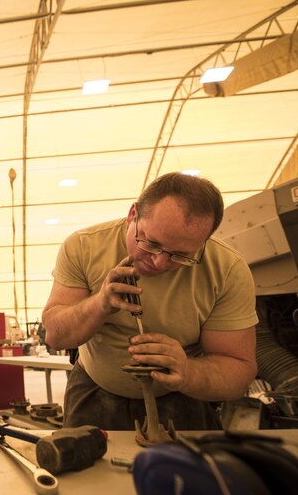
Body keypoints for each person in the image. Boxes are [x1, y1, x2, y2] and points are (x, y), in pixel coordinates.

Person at [42, 172, 258, 430]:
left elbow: (239, 370)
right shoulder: (83, 247)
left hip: (183, 396)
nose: (159, 262)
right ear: (133, 214)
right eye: (151, 244)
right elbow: (55, 336)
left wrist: (187, 372)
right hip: (94, 389)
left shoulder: (227, 269)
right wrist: (99, 304)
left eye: (181, 255)